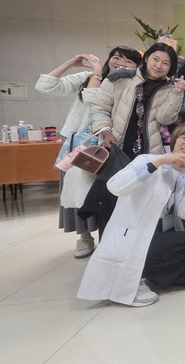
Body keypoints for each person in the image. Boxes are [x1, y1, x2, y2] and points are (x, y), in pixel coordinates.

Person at [77, 123, 185, 307]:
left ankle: (149, 271)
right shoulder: (147, 159)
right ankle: (137, 275)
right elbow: (115, 186)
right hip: (136, 233)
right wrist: (160, 162)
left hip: (163, 231)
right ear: (175, 140)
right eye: (184, 138)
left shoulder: (184, 173)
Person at [36, 47, 142, 258]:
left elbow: (98, 104)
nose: (121, 63)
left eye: (129, 61)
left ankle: (109, 235)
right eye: (117, 57)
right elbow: (45, 86)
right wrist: (71, 64)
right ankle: (84, 236)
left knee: (104, 193)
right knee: (76, 192)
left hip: (107, 147)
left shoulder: (131, 86)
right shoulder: (88, 77)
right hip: (79, 146)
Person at [91, 42, 185, 158]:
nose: (158, 65)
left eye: (165, 63)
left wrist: (176, 93)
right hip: (115, 144)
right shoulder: (119, 78)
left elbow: (165, 119)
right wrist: (105, 132)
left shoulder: (170, 88)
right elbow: (99, 108)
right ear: (146, 58)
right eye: (155, 59)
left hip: (150, 151)